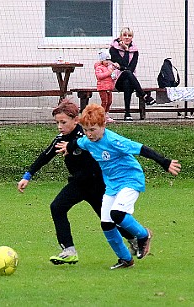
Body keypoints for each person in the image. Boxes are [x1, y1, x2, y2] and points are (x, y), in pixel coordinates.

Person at [56, 104, 181, 269]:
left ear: (103, 125)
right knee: (106, 223)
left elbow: (141, 149)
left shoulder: (115, 141)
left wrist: (165, 162)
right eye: (86, 129)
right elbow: (77, 143)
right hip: (112, 185)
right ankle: (125, 259)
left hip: (130, 180)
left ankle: (144, 235)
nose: (89, 134)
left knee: (117, 214)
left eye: (93, 129)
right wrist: (68, 147)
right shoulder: (87, 140)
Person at [17, 98, 137, 265]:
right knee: (57, 207)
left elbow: (96, 151)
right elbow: (46, 155)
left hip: (97, 185)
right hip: (78, 184)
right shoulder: (61, 138)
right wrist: (27, 175)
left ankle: (134, 238)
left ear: (76, 120)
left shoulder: (87, 135)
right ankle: (69, 250)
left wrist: (73, 147)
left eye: (63, 122)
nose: (59, 127)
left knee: (110, 220)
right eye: (57, 123)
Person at [109, 27, 155, 121]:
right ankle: (144, 95)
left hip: (130, 80)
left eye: (129, 35)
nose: (127, 37)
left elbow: (130, 67)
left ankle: (127, 114)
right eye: (124, 35)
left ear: (132, 37)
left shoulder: (135, 51)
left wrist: (123, 65)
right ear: (120, 37)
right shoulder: (113, 49)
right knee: (127, 74)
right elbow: (124, 64)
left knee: (127, 80)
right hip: (116, 81)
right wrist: (126, 50)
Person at [94, 48, 119, 123]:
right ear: (102, 60)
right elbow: (99, 76)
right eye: (106, 60)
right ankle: (101, 116)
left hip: (109, 87)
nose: (108, 62)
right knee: (104, 101)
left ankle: (106, 115)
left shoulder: (109, 68)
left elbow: (112, 76)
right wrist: (109, 72)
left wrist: (114, 76)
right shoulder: (99, 68)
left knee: (109, 102)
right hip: (102, 87)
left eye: (109, 60)